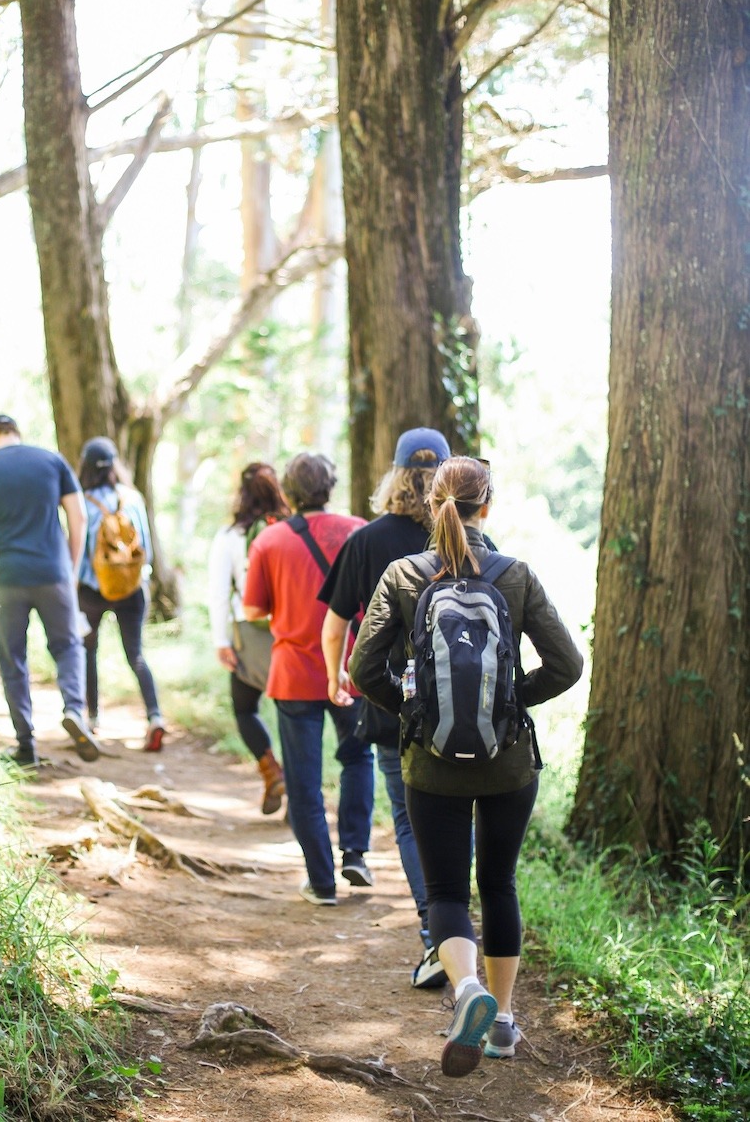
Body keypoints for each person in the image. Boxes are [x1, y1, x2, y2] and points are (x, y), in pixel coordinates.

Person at [350, 456, 583, 1076]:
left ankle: (467, 991)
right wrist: (510, 704)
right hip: (508, 765)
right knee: (499, 883)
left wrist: (415, 712)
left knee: (448, 890)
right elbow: (567, 666)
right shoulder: (516, 575)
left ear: (432, 505)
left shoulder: (404, 575)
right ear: (489, 505)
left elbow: (362, 671)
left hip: (430, 764)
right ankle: (503, 1022)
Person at [319, 426, 450, 988]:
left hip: (392, 702)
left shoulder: (367, 541)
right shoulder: (467, 540)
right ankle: (462, 930)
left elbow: (334, 625)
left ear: (394, 476)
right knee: (459, 813)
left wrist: (336, 678)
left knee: (408, 819)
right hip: (464, 705)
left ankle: (436, 936)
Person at [243, 452, 373, 906]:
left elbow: (253, 609)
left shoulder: (270, 541)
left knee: (303, 781)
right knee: (358, 758)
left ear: (289, 492)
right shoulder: (358, 531)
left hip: (295, 673)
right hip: (352, 669)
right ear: (330, 486)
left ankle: (321, 882)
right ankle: (355, 851)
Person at [0, 414, 98, 769]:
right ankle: (74, 709)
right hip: (54, 573)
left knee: (13, 660)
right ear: (17, 434)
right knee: (68, 646)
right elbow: (78, 517)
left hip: (6, 577)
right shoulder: (52, 461)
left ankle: (25, 746)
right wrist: (70, 567)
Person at [207, 462, 290, 814]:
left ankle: (271, 769)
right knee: (293, 715)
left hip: (248, 635)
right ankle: (299, 793)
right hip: (291, 634)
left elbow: (217, 593)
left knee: (245, 709)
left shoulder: (230, 537)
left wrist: (221, 641)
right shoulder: (292, 530)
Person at [77, 436, 165, 752]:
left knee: (88, 650)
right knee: (136, 654)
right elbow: (148, 551)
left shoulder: (81, 501)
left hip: (92, 589)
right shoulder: (133, 499)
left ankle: (91, 716)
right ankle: (155, 717)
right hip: (131, 588)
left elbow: (78, 552)